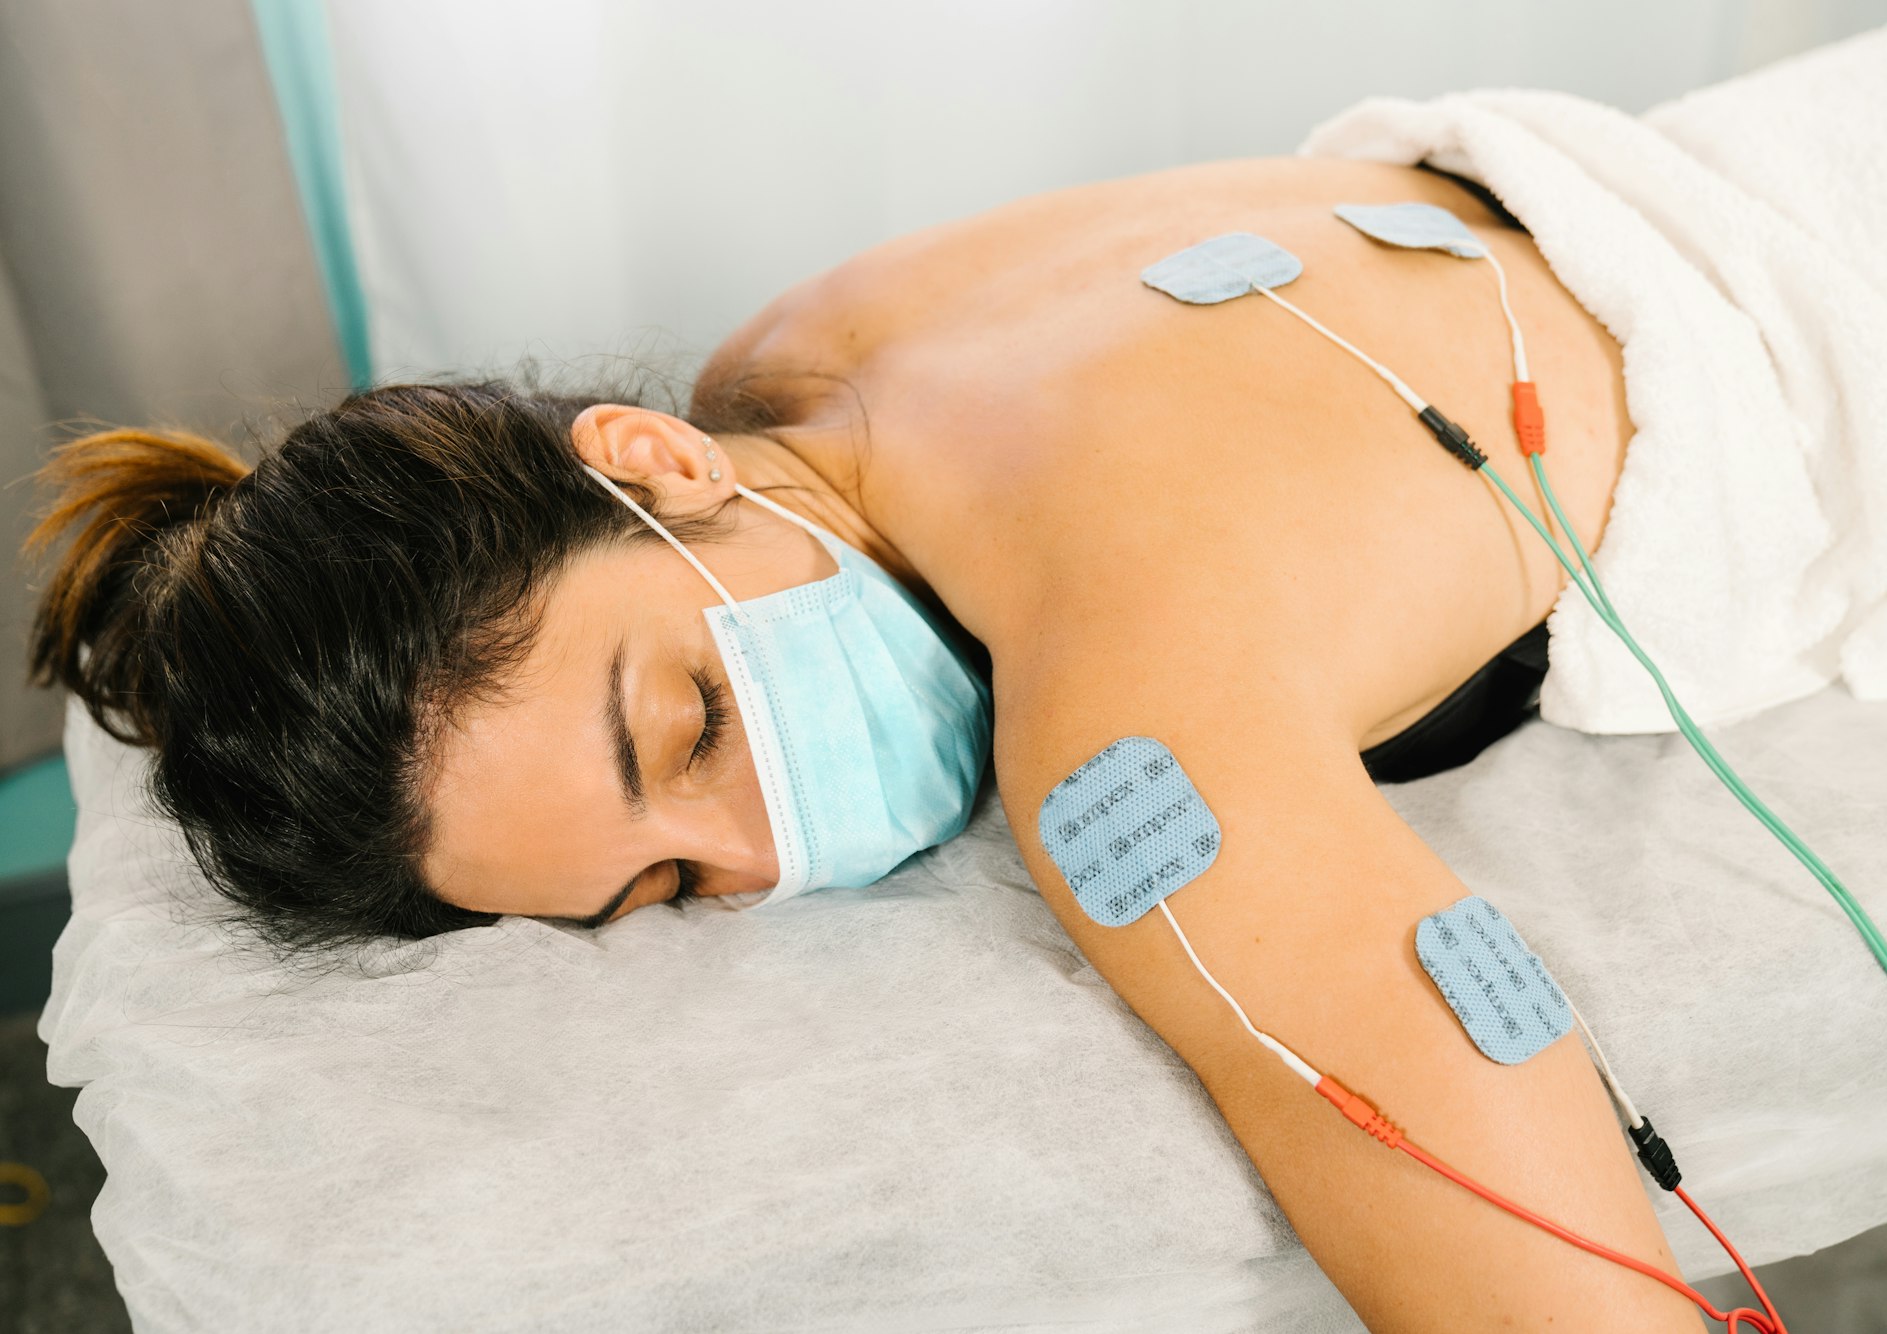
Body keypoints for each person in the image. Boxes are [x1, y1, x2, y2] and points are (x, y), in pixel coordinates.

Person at [27, 154, 1703, 1329]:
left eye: (684, 721)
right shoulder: (789, 359)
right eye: (669, 887)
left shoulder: (1126, 711)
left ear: (656, 464)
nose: (765, 849)